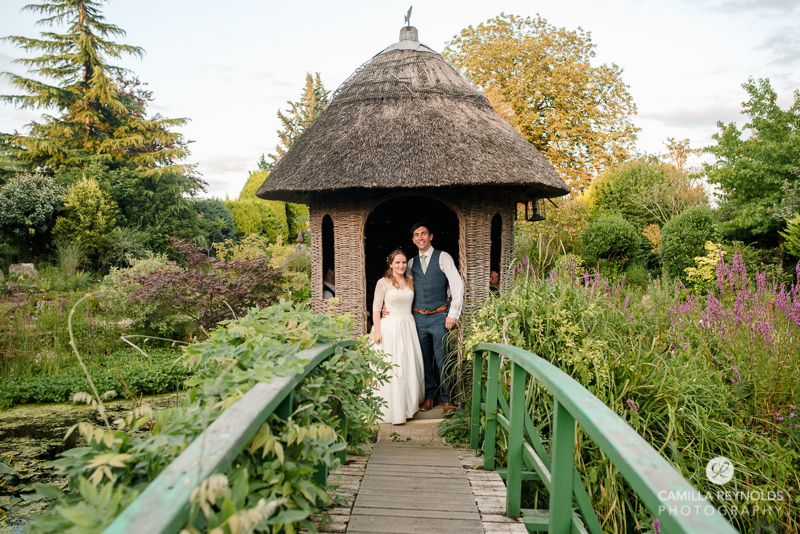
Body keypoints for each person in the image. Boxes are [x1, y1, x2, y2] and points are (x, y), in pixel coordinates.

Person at [407, 222, 464, 414]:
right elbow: (403, 289)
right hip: (418, 318)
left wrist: (453, 313)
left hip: (440, 316)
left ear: (431, 236)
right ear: (413, 239)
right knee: (423, 360)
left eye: (423, 233)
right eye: (416, 235)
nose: (420, 237)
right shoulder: (410, 263)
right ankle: (429, 397)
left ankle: (447, 398)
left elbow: (457, 285)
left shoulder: (443, 257)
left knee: (443, 358)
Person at [371, 250, 425, 424]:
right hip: (390, 327)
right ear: (391, 264)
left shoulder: (410, 282)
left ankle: (408, 406)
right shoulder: (383, 283)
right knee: (393, 366)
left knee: (407, 364)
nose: (401, 266)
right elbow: (376, 309)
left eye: (403, 262)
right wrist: (377, 331)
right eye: (397, 262)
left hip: (408, 326)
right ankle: (392, 409)